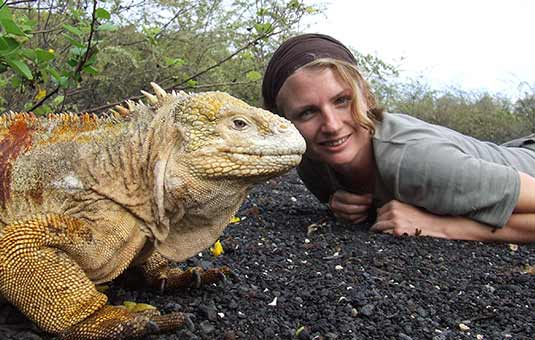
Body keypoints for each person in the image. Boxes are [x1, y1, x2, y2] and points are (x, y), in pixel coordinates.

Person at [261, 33, 535, 243]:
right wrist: (342, 204)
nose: (331, 125)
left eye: (342, 100)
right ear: (283, 123)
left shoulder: (415, 160)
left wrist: (439, 226)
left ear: (366, 97)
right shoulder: (311, 163)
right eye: (308, 112)